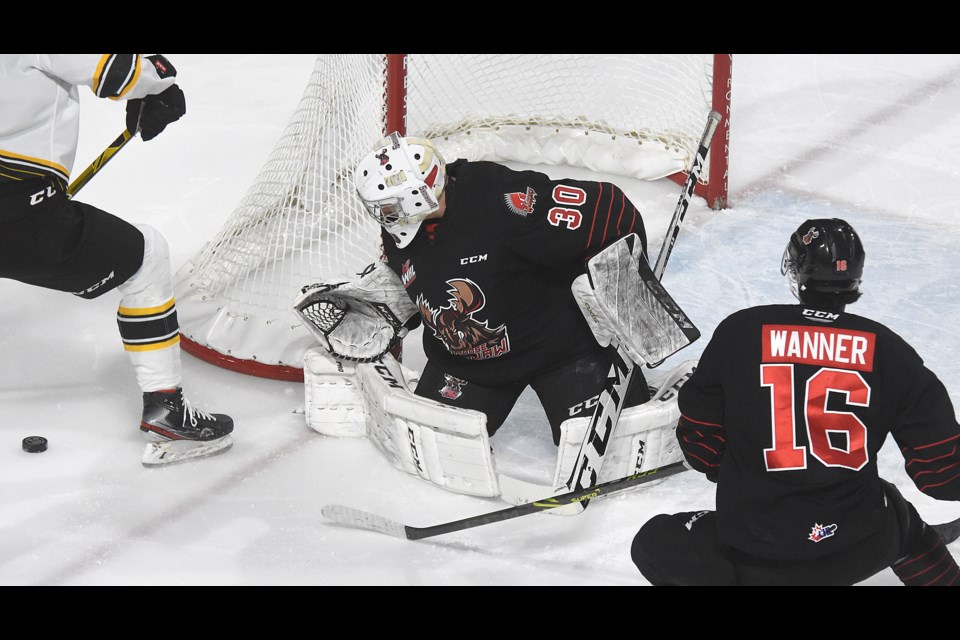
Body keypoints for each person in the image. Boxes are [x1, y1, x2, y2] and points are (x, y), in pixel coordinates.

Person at [294, 132, 697, 499]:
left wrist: (624, 296)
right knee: (433, 455)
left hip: (563, 349)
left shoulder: (502, 202)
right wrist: (382, 303)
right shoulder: (405, 224)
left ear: (418, 196)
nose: (381, 215)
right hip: (469, 364)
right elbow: (426, 274)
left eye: (387, 206)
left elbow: (610, 211)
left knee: (621, 458)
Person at [630, 217, 960, 586]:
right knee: (900, 517)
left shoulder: (741, 331)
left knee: (653, 540)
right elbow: (943, 475)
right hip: (855, 545)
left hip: (755, 551)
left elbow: (701, 448)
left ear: (797, 270)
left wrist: (751, 474)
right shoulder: (890, 350)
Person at [0, 54, 233, 467]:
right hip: (20, 218)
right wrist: (161, 84)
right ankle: (167, 408)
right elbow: (125, 72)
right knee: (146, 256)